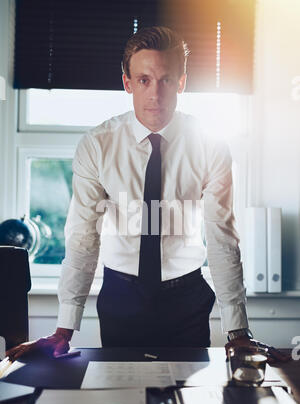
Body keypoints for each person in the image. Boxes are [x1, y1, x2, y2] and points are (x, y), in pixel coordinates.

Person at [7, 26, 289, 364]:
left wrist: (238, 331)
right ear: (127, 83)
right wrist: (64, 329)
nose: (155, 94)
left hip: (187, 297)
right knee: (119, 397)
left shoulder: (210, 147)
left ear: (181, 83)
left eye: (166, 80)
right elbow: (83, 237)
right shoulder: (98, 145)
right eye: (144, 80)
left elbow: (222, 237)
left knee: (190, 398)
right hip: (121, 296)